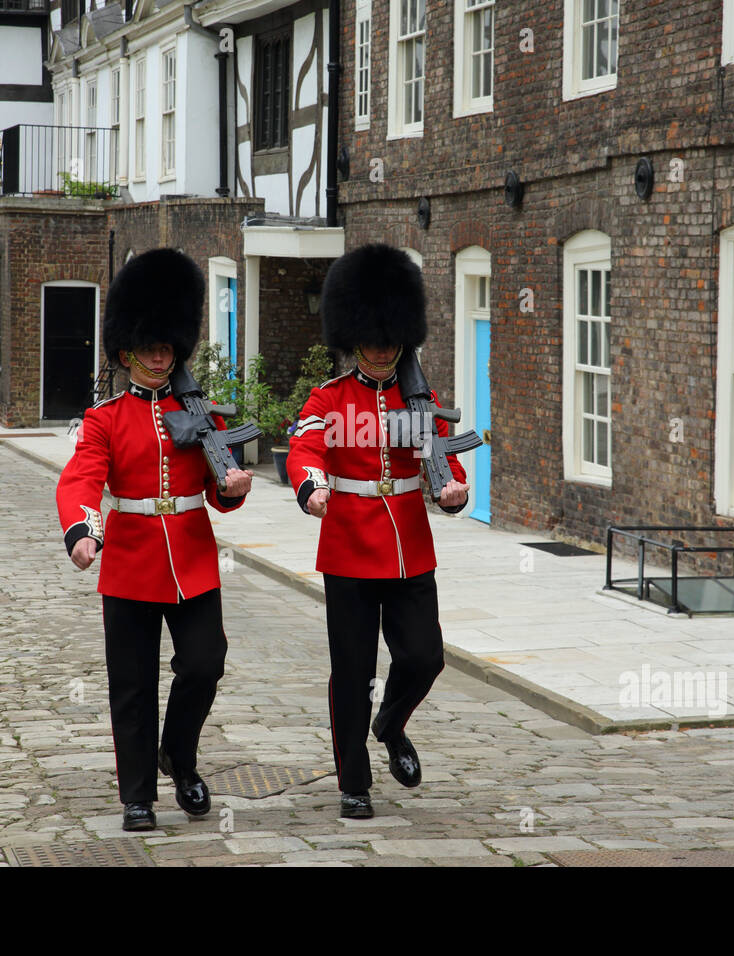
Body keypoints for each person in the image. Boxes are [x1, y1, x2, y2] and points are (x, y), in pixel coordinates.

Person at [56, 248, 253, 832]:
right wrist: (83, 531)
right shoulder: (105, 419)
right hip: (132, 564)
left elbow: (217, 488)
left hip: (191, 557)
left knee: (205, 663)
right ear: (126, 352)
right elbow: (82, 478)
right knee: (133, 684)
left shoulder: (199, 412)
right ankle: (137, 796)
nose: (161, 354)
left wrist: (235, 486)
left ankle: (180, 757)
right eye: (150, 346)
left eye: (168, 345)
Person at [286, 243, 469, 819]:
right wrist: (311, 486)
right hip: (347, 550)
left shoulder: (421, 397)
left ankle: (390, 724)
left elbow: (442, 458)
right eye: (372, 339)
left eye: (391, 339)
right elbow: (306, 445)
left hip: (410, 547)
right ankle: (353, 782)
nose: (382, 349)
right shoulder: (331, 396)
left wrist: (453, 489)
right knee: (353, 673)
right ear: (355, 339)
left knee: (424, 657)